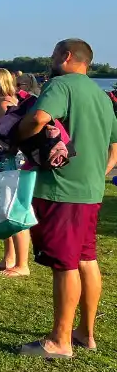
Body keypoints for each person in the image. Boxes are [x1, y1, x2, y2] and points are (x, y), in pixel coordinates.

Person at [15, 39, 117, 359]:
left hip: (61, 191)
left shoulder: (61, 84)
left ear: (67, 56)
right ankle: (86, 333)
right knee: (86, 259)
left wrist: (18, 132)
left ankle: (60, 341)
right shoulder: (101, 97)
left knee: (64, 264)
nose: (50, 59)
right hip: (89, 192)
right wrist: (98, 172)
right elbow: (114, 146)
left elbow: (41, 117)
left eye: (54, 54)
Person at [0, 68, 28, 278]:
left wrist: (1, 163)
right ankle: (9, 257)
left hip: (4, 162)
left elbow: (7, 139)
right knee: (4, 209)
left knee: (13, 210)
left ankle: (22, 263)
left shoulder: (4, 105)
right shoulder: (2, 103)